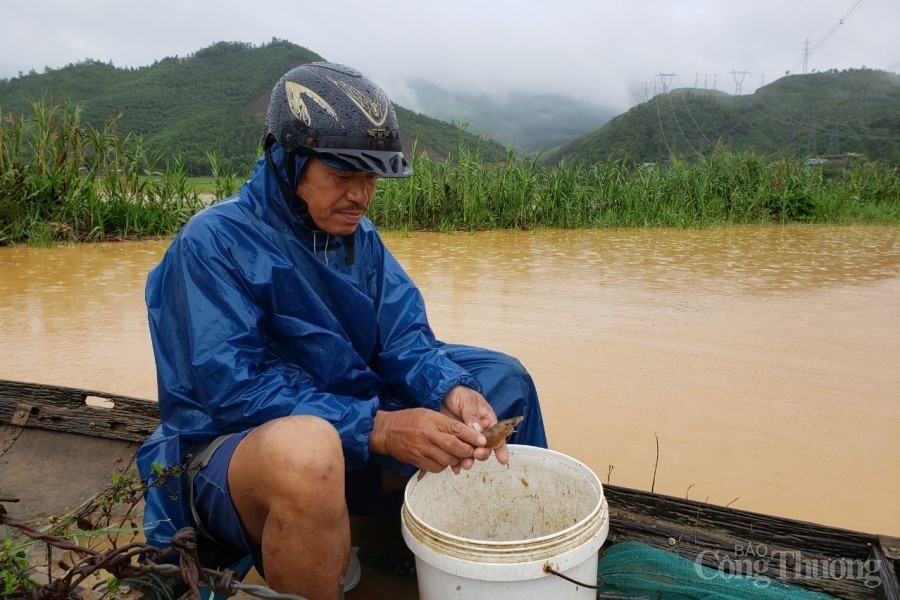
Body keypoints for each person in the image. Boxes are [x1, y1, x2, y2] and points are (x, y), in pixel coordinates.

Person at [136, 62, 547, 600]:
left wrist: (453, 389)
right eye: (341, 176)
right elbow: (235, 391)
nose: (360, 195)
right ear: (289, 162)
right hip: (230, 459)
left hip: (349, 422)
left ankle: (505, 549)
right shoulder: (213, 243)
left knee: (500, 378)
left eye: (370, 178)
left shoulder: (361, 238)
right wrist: (379, 429)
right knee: (308, 451)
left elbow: (405, 338)